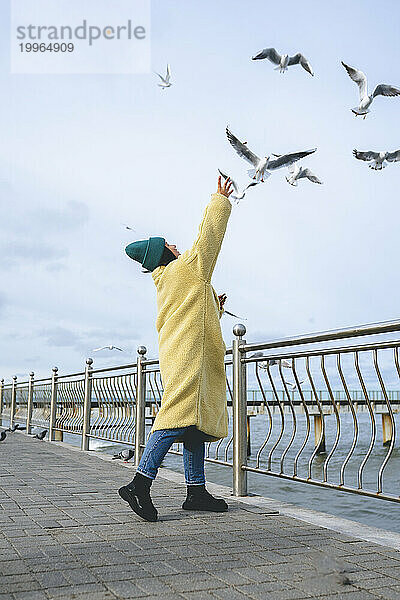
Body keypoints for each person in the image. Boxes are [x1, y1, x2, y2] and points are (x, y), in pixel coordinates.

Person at [118, 175, 234, 521]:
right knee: (174, 418)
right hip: (190, 358)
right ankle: (139, 484)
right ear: (163, 254)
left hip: (179, 355)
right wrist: (219, 199)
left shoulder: (167, 279)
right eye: (169, 244)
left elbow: (190, 311)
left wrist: (214, 304)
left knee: (193, 422)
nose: (176, 245)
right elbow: (208, 240)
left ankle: (195, 491)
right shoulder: (184, 269)